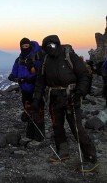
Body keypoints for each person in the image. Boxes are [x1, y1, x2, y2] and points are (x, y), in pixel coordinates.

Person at [32, 35, 98, 172]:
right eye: (47, 46)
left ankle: (91, 158)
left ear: (58, 44)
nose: (50, 48)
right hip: (54, 99)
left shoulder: (69, 56)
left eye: (52, 45)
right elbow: (40, 82)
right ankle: (63, 152)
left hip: (71, 98)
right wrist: (36, 101)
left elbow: (84, 75)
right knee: (57, 126)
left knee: (77, 128)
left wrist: (80, 92)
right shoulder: (45, 60)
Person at [8, 38, 44, 142]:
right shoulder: (19, 59)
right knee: (28, 111)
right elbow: (15, 70)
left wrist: (31, 78)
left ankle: (39, 136)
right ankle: (30, 134)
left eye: (26, 46)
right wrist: (12, 76)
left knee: (37, 111)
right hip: (25, 90)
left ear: (30, 45)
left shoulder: (36, 57)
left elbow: (41, 71)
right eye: (23, 46)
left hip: (35, 89)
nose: (25, 48)